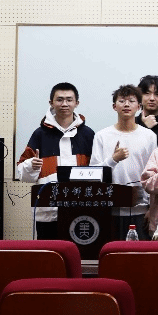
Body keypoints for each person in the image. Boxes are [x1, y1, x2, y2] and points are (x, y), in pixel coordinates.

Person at [17, 82, 96, 239]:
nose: (64, 104)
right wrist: (31, 165)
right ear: (51, 103)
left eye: (69, 100)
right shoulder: (40, 134)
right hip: (48, 211)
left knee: (79, 252)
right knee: (49, 253)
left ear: (77, 103)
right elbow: (21, 172)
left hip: (81, 209)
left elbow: (97, 171)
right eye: (59, 99)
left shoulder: (88, 134)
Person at [90, 84, 158, 239]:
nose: (126, 105)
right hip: (108, 209)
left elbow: (152, 174)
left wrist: (152, 208)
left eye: (131, 101)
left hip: (140, 209)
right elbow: (93, 174)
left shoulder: (149, 136)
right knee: (110, 252)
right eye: (122, 101)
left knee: (139, 252)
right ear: (114, 106)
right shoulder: (102, 136)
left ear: (139, 107)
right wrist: (113, 159)